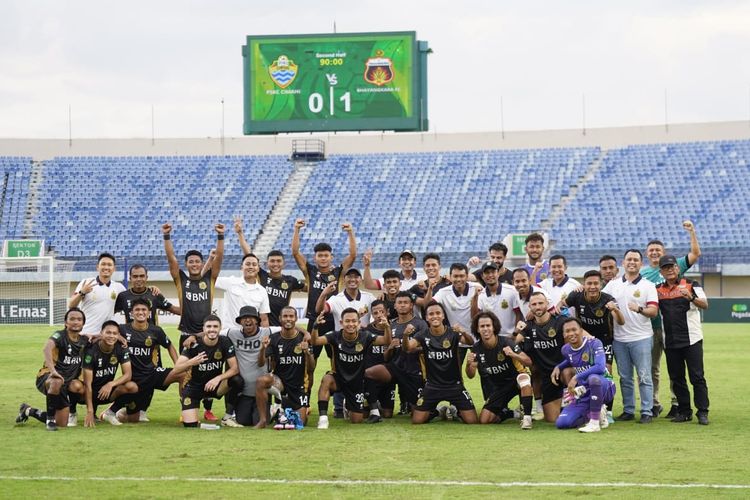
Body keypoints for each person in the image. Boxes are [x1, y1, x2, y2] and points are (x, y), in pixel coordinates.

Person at [163, 221, 225, 421]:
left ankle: (207, 409)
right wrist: (166, 237)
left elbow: (220, 258)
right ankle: (186, 407)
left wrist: (220, 237)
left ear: (201, 263)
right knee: (185, 374)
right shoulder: (181, 280)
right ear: (187, 264)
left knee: (211, 371)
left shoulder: (210, 280)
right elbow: (171, 259)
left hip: (208, 336)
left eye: (198, 261)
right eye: (191, 261)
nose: (195, 264)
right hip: (187, 336)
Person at [640, 221, 701, 418]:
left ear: (663, 252)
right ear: (647, 254)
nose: (655, 252)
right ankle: (654, 403)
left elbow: (695, 254)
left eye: (658, 249)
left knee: (676, 369)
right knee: (653, 368)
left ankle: (677, 403)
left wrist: (691, 232)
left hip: (672, 328)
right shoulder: (642, 274)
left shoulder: (674, 267)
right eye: (651, 250)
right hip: (650, 328)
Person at [603, 249, 659, 424]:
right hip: (619, 339)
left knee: (644, 376)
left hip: (641, 337)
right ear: (623, 263)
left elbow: (654, 311)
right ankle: (628, 410)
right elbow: (598, 296)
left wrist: (640, 309)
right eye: (629, 259)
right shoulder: (613, 285)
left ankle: (647, 411)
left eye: (635, 260)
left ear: (641, 264)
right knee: (625, 377)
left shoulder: (648, 286)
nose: (632, 262)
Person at [311, 308, 392, 428]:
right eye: (347, 321)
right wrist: (315, 327)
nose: (351, 324)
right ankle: (323, 419)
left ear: (359, 323)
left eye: (354, 321)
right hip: (338, 378)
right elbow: (315, 341)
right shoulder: (334, 336)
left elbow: (386, 340)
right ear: (341, 323)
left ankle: (347, 404)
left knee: (357, 420)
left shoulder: (366, 336)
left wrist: (386, 327)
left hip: (356, 382)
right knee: (326, 379)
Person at [402, 301, 478, 424]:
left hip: (454, 385)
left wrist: (463, 331)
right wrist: (405, 335)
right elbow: (407, 348)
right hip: (432, 386)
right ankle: (437, 411)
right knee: (417, 421)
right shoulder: (422, 334)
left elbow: (470, 342)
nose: (435, 316)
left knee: (472, 421)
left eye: (438, 313)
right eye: (431, 314)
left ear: (443, 316)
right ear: (426, 318)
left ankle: (455, 411)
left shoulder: (453, 333)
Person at [656, 255, 710, 425]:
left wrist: (691, 297)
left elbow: (705, 304)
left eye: (672, 266)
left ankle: (702, 412)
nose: (670, 269)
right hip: (670, 342)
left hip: (692, 339)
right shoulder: (657, 290)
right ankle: (685, 411)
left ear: (678, 268)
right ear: (661, 272)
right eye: (666, 267)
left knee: (697, 377)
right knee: (677, 378)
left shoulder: (692, 284)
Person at [110, 299, 182, 423]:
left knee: (182, 374)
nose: (140, 312)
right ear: (131, 313)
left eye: (144, 310)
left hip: (151, 373)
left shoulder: (156, 331)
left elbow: (169, 346)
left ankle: (187, 411)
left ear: (149, 313)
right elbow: (105, 334)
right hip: (133, 378)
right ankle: (117, 412)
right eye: (137, 310)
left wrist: (178, 365)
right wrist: (118, 336)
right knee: (133, 420)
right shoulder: (122, 329)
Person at [16, 308, 89, 431]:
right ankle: (50, 420)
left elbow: (100, 337)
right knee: (56, 381)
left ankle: (28, 410)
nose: (76, 322)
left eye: (79, 319)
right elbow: (46, 348)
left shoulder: (84, 340)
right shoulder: (59, 335)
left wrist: (118, 337)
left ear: (83, 323)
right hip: (47, 377)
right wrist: (53, 371)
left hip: (66, 383)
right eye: (72, 319)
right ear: (66, 323)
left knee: (62, 422)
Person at [291, 218, 357, 348]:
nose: (323, 258)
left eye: (326, 255)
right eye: (320, 256)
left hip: (333, 318)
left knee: (334, 355)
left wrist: (350, 232)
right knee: (310, 355)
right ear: (315, 258)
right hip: (313, 318)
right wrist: (297, 229)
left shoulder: (338, 272)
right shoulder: (309, 271)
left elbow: (353, 255)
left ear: (331, 257)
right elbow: (295, 253)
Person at [466, 311, 533, 429]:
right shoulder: (476, 348)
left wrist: (513, 355)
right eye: (482, 326)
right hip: (500, 387)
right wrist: (469, 364)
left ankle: (527, 417)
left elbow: (528, 361)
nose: (485, 329)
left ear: (494, 327)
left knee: (524, 379)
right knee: (484, 420)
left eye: (488, 326)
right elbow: (470, 375)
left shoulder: (506, 342)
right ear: (477, 329)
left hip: (516, 379)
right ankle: (508, 414)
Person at [364, 291, 428, 416]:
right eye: (399, 302)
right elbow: (386, 357)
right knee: (368, 373)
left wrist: (407, 343)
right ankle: (372, 409)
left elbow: (421, 348)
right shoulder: (391, 325)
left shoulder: (420, 324)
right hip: (394, 368)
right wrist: (390, 348)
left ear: (411, 306)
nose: (402, 305)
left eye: (406, 302)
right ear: (395, 306)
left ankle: (433, 409)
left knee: (418, 414)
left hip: (413, 371)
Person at [234, 217, 306, 327]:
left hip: (280, 327)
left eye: (278, 261)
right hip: (260, 325)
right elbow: (248, 254)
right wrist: (240, 234)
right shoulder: (261, 275)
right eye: (272, 261)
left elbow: (309, 288)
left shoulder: (290, 280)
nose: (275, 264)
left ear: (284, 264)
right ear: (267, 264)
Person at [216, 305, 280, 427]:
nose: (247, 320)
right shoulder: (232, 333)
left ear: (257, 320)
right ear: (240, 321)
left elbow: (288, 327)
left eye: (251, 317)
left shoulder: (268, 331)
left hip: (261, 391)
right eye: (244, 318)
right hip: (244, 392)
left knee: (259, 421)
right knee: (243, 422)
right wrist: (194, 336)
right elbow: (212, 331)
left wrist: (306, 333)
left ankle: (272, 409)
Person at [173, 314, 241, 428]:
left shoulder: (225, 342)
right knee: (190, 425)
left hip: (214, 386)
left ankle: (228, 417)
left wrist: (218, 378)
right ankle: (195, 415)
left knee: (237, 380)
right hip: (193, 388)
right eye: (209, 327)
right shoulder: (193, 344)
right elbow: (176, 370)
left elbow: (235, 368)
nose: (212, 330)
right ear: (204, 329)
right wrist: (191, 362)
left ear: (220, 328)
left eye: (215, 326)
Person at [551, 318, 617, 433]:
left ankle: (595, 423)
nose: (571, 333)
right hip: (584, 392)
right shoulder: (566, 349)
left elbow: (600, 367)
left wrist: (576, 377)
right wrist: (558, 367)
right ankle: (594, 413)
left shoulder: (594, 343)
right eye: (567, 331)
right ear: (563, 334)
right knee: (562, 423)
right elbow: (571, 360)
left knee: (594, 378)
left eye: (574, 330)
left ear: (581, 330)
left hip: (605, 386)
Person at [254, 307, 316, 428]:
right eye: (285, 316)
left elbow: (311, 369)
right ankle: (262, 420)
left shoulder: (304, 339)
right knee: (261, 381)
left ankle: (279, 410)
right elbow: (261, 363)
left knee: (300, 423)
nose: (288, 319)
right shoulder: (274, 339)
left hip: (299, 386)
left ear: (296, 319)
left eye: (291, 316)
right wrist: (263, 349)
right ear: (280, 319)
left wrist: (307, 353)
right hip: (280, 383)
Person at [514, 292, 568, 423]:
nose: (537, 307)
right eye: (534, 304)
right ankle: (543, 407)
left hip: (563, 372)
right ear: (530, 308)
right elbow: (514, 342)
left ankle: (571, 401)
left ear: (547, 304)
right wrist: (517, 331)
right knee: (551, 419)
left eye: (540, 303)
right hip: (547, 378)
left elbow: (579, 334)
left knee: (568, 371)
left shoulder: (560, 321)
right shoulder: (528, 326)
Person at [559, 270, 623, 374]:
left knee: (606, 369)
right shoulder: (576, 295)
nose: (592, 287)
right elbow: (561, 306)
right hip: (583, 340)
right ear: (584, 285)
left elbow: (621, 321)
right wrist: (564, 314)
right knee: (582, 369)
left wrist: (615, 310)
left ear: (601, 284)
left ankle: (607, 389)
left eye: (596, 283)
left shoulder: (608, 299)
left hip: (604, 340)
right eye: (589, 283)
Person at [82, 320, 138, 427]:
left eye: (114, 333)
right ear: (101, 333)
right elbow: (87, 384)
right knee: (76, 387)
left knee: (132, 387)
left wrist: (110, 384)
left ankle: (110, 413)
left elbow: (128, 374)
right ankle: (72, 412)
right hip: (87, 393)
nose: (111, 336)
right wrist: (90, 411)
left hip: (106, 392)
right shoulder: (91, 351)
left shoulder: (121, 348)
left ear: (118, 335)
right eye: (108, 332)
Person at [69, 253, 126, 337]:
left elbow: (131, 299)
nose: (106, 267)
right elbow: (71, 305)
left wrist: (151, 289)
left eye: (109, 265)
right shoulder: (87, 282)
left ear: (114, 269)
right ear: (97, 267)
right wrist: (82, 292)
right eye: (103, 264)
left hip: (104, 337)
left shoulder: (119, 287)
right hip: (85, 334)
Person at [362, 300, 397, 423]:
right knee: (363, 415)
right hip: (369, 376)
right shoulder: (366, 331)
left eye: (381, 312)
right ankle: (371, 405)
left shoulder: (395, 328)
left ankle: (377, 404)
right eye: (375, 312)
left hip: (388, 374)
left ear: (387, 312)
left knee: (388, 414)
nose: (378, 315)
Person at [215, 253, 271, 329]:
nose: (251, 267)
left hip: (251, 335)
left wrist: (265, 336)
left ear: (258, 268)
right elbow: (211, 279)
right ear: (242, 267)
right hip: (229, 333)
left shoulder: (262, 291)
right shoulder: (230, 282)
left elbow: (264, 319)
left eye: (254, 264)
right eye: (248, 264)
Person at [115, 264, 180, 325]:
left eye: (142, 276)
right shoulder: (123, 296)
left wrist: (189, 311)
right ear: (130, 278)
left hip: (151, 336)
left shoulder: (154, 294)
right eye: (135, 276)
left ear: (146, 277)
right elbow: (109, 311)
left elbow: (173, 309)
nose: (138, 279)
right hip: (131, 336)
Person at [472, 262, 522, 338]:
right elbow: (476, 317)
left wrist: (515, 334)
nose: (490, 275)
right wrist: (475, 297)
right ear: (482, 276)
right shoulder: (481, 294)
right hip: (492, 338)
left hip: (510, 336)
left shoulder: (511, 290)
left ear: (498, 274)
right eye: (487, 273)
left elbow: (518, 314)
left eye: (493, 272)